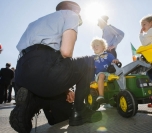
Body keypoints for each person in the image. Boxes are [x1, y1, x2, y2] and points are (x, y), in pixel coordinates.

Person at [9, 1, 102, 133]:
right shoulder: (71, 15)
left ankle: (28, 107)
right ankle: (81, 111)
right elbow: (66, 52)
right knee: (88, 61)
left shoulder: (35, 23)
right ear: (75, 10)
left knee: (60, 117)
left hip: (22, 73)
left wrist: (65, 89)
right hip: (46, 65)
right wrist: (68, 81)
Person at [91, 38, 119, 104]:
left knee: (118, 76)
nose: (95, 47)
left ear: (103, 46)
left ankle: (118, 93)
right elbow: (90, 69)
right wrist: (92, 79)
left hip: (109, 73)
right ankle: (101, 96)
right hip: (99, 74)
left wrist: (115, 61)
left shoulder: (108, 55)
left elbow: (113, 60)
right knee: (101, 75)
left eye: (97, 45)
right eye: (93, 46)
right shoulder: (92, 58)